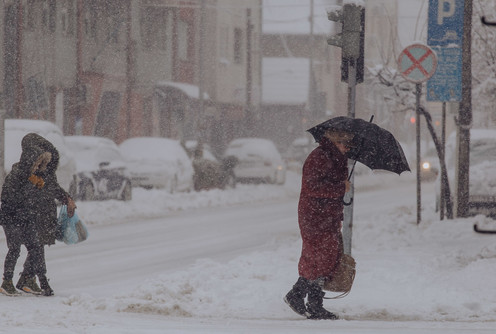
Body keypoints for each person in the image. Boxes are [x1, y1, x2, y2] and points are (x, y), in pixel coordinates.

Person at [284, 129, 354, 320]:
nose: (347, 149)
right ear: (336, 141)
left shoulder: (338, 158)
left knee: (328, 258)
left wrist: (341, 187)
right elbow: (312, 187)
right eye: (345, 144)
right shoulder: (319, 157)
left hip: (329, 216)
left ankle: (312, 302)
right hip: (314, 216)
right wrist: (341, 187)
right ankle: (298, 295)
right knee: (317, 257)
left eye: (350, 146)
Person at [0, 133, 76, 296]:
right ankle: (8, 282)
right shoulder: (18, 176)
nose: (38, 167)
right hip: (15, 218)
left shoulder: (40, 176)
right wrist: (31, 191)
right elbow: (10, 198)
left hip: (29, 216)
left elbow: (50, 188)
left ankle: (34, 279)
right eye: (36, 164)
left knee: (36, 247)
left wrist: (65, 198)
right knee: (16, 248)